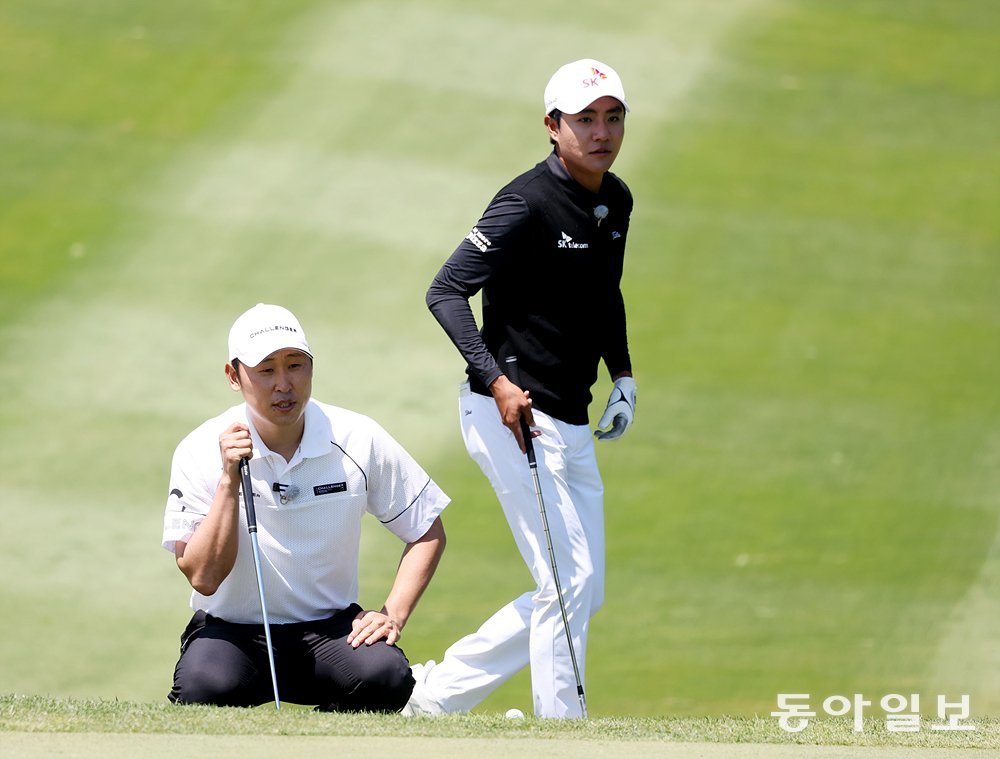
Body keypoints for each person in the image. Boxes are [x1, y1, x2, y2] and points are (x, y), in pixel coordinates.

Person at [407, 58, 637, 718]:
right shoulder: (524, 203)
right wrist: (498, 381)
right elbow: (445, 291)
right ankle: (561, 726)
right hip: (510, 414)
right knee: (568, 579)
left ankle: (433, 698)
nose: (602, 132)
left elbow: (605, 293)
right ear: (552, 125)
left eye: (613, 118)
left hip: (570, 413)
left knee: (579, 590)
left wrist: (622, 374)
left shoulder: (615, 200)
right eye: (585, 119)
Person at [162, 303, 449, 711]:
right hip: (233, 632)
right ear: (233, 376)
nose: (284, 384)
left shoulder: (356, 437)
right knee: (204, 687)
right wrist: (229, 480)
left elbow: (426, 530)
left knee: (385, 675)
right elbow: (204, 578)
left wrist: (393, 615)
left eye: (295, 365)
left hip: (329, 631)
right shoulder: (199, 449)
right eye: (266, 370)